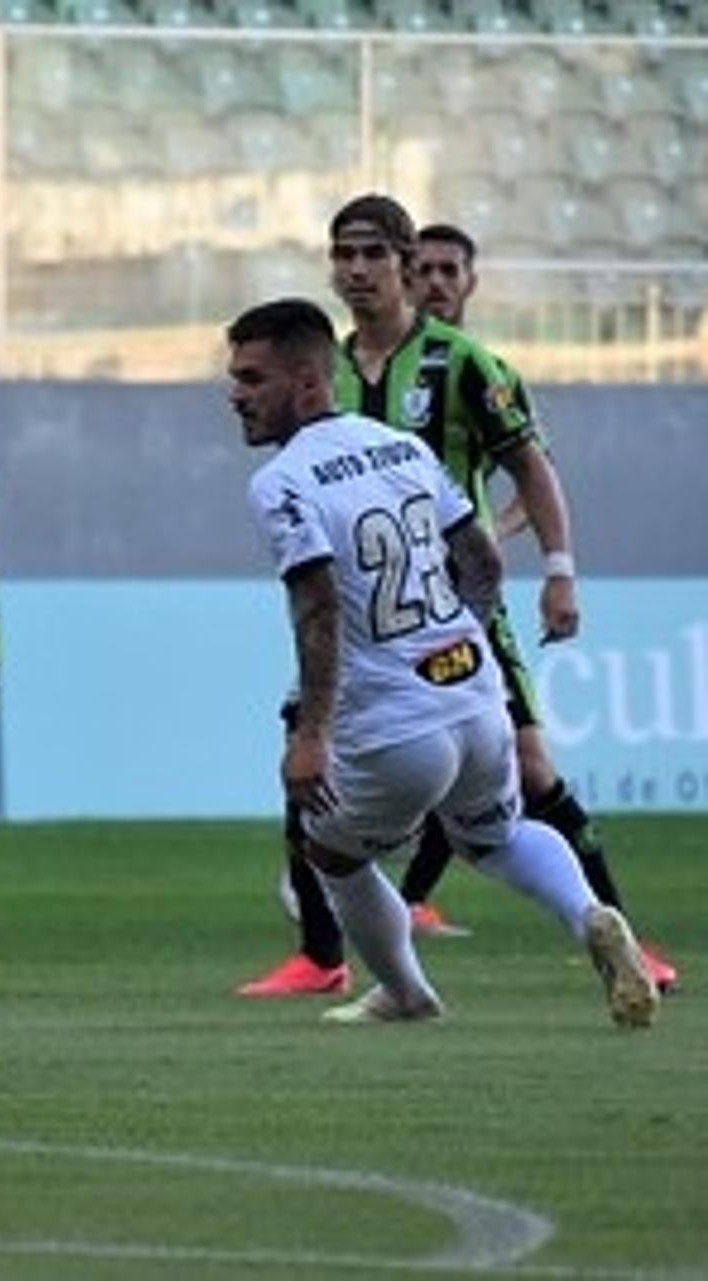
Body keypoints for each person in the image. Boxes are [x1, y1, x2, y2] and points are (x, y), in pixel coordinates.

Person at [236, 198, 677, 998]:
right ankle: (590, 916)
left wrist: (561, 567)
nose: (357, 269)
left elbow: (321, 607)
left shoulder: (449, 370)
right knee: (501, 826)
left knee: (334, 843)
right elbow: (476, 550)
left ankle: (401, 990)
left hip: (396, 683)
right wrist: (454, 637)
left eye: (248, 380)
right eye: (343, 253)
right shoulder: (395, 438)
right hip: (459, 667)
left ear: (304, 385)